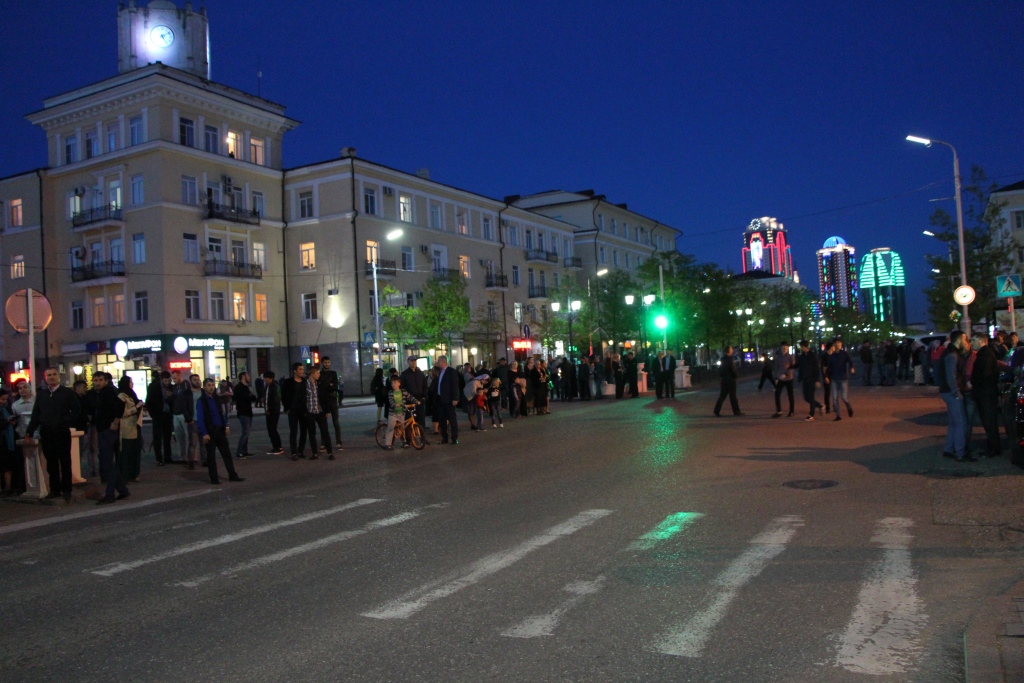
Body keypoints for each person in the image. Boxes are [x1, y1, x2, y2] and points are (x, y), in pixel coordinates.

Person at [24, 368, 81, 502]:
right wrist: (29, 432)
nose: (51, 377)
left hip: (61, 432)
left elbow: (77, 411)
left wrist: (65, 421)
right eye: (49, 375)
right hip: (47, 432)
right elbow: (36, 415)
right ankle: (55, 489)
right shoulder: (42, 394)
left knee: (65, 461)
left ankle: (67, 489)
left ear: (58, 376)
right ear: (45, 377)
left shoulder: (67, 393)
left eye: (54, 374)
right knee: (51, 463)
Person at [195, 377, 245, 484]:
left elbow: (222, 414)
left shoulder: (216, 398)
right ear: (204, 387)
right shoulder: (201, 401)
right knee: (211, 457)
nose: (211, 387)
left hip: (220, 430)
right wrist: (204, 433)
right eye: (209, 385)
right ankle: (214, 478)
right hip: (210, 432)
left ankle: (232, 475)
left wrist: (226, 425)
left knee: (226, 454)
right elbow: (200, 419)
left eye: (212, 385)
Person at [92, 372, 129, 504]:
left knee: (107, 462)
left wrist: (115, 421)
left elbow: (121, 404)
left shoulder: (109, 391)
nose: (97, 383)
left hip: (108, 430)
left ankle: (110, 494)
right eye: (95, 380)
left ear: (106, 380)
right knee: (107, 461)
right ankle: (123, 490)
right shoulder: (100, 393)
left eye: (100, 380)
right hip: (103, 429)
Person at [937, 331, 971, 461]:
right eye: (965, 339)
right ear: (960, 339)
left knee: (953, 422)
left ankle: (949, 449)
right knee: (960, 423)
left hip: (947, 392)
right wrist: (956, 392)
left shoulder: (950, 353)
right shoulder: (952, 355)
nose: (967, 341)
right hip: (951, 393)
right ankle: (960, 453)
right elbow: (951, 376)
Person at [969, 333, 1002, 458]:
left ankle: (994, 449)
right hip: (985, 394)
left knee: (989, 422)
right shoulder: (984, 354)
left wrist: (973, 382)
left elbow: (985, 375)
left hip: (986, 395)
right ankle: (992, 447)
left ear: (981, 341)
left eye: (973, 340)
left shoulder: (986, 355)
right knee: (988, 422)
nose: (971, 343)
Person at [303, 364, 336, 459]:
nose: (319, 374)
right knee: (312, 433)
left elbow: (325, 398)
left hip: (320, 411)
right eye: (317, 373)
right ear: (312, 374)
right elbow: (302, 399)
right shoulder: (305, 385)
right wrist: (305, 412)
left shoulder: (320, 384)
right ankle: (315, 453)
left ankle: (330, 453)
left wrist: (327, 410)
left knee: (325, 432)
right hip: (310, 412)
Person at [116, 375, 144, 483]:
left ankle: (135, 473)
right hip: (127, 428)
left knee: (135, 452)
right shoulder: (121, 396)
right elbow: (123, 413)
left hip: (136, 426)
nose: (132, 384)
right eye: (130, 382)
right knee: (127, 452)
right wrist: (136, 407)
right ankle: (126, 475)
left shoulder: (132, 394)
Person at [281, 363, 308, 458]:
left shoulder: (305, 381)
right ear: (295, 371)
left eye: (303, 369)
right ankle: (294, 452)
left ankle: (301, 451)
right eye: (300, 369)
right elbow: (284, 396)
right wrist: (287, 409)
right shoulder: (288, 382)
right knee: (293, 431)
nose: (302, 371)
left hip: (303, 410)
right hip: (292, 410)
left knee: (304, 431)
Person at [400, 356, 429, 444]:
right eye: (411, 361)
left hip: (420, 399)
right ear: (408, 362)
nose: (413, 362)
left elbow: (425, 385)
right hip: (410, 401)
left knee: (421, 420)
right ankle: (408, 439)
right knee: (409, 420)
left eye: (414, 361)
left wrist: (424, 396)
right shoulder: (404, 374)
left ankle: (423, 438)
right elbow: (402, 388)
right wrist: (408, 398)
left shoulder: (420, 373)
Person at [146, 371, 172, 466]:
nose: (167, 382)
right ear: (161, 379)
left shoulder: (170, 387)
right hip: (158, 415)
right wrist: (153, 414)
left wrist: (170, 397)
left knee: (167, 436)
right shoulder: (154, 387)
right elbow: (149, 401)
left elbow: (172, 401)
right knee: (157, 437)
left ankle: (167, 457)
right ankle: (159, 458)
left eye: (169, 380)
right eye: (165, 380)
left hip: (167, 414)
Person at [384, 376, 417, 449]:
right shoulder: (390, 392)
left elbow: (410, 397)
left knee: (402, 428)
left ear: (399, 383)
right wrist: (395, 405)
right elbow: (391, 401)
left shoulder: (403, 391)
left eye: (395, 383)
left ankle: (404, 442)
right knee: (390, 428)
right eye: (392, 383)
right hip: (393, 414)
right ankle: (387, 444)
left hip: (401, 413)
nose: (393, 385)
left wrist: (416, 401)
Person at [72, 379, 96, 477]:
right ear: (77, 388)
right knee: (78, 450)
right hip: (78, 427)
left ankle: (78, 471)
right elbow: (78, 413)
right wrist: (87, 417)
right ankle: (76, 472)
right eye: (83, 387)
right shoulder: (75, 399)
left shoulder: (83, 398)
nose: (85, 389)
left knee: (81, 449)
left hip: (82, 427)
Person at [827, 339, 855, 421]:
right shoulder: (832, 356)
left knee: (844, 397)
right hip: (834, 379)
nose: (837, 344)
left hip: (843, 378)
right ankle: (838, 415)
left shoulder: (844, 354)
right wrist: (827, 375)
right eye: (836, 343)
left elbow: (850, 362)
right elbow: (830, 366)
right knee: (835, 398)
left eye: (839, 343)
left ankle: (848, 405)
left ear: (841, 344)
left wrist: (852, 368)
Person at [795, 339, 823, 421]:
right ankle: (820, 406)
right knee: (806, 398)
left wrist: (817, 380)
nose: (801, 348)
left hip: (812, 379)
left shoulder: (812, 355)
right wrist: (790, 367)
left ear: (805, 346)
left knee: (810, 396)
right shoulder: (802, 355)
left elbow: (816, 368)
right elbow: (798, 364)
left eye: (801, 347)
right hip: (805, 379)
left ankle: (811, 414)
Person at [435, 355, 460, 444]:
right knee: (442, 420)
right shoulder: (440, 372)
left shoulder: (451, 371)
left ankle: (454, 438)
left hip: (449, 399)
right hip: (440, 399)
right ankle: (444, 437)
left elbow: (454, 385)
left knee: (452, 419)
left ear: (443, 362)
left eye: (438, 362)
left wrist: (455, 398)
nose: (437, 363)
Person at [320, 357, 343, 447]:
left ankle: (339, 442)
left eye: (328, 362)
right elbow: (321, 387)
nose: (327, 364)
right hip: (323, 401)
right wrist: (329, 384)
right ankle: (323, 442)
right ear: (322, 363)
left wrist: (327, 385)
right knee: (323, 423)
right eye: (325, 362)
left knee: (336, 422)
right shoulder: (320, 374)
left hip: (332, 400)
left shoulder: (333, 373)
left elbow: (336, 387)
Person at [713, 346, 742, 416]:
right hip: (730, 379)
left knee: (722, 396)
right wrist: (736, 375)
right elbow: (732, 369)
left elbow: (720, 369)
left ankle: (716, 410)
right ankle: (736, 411)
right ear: (729, 351)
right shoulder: (730, 359)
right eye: (731, 349)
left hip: (724, 379)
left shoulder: (722, 359)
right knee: (733, 396)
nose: (732, 351)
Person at [232, 372, 254, 459]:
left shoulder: (245, 387)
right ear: (243, 377)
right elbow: (247, 398)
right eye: (248, 375)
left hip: (248, 412)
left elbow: (252, 397)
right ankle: (239, 452)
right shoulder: (239, 387)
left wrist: (251, 396)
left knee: (247, 433)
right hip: (243, 412)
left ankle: (244, 451)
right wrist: (250, 397)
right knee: (245, 433)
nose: (249, 377)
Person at [0, 389, 18, 496]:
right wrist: (6, 422)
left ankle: (8, 487)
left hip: (7, 441)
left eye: (5, 399)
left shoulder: (6, 409)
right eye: (2, 399)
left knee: (7, 465)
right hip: (2, 441)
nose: (4, 401)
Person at [771, 342, 795, 418]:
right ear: (781, 347)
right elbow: (775, 368)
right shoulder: (778, 357)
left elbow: (792, 367)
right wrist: (776, 378)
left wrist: (786, 374)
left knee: (790, 395)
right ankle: (779, 411)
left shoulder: (791, 357)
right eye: (783, 346)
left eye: (786, 347)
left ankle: (791, 411)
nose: (784, 348)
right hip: (780, 379)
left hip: (789, 378)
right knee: (777, 394)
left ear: (788, 348)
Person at [262, 371, 284, 454]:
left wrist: (269, 409)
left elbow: (275, 400)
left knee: (272, 429)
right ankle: (278, 446)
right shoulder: (269, 386)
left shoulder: (273, 387)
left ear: (270, 378)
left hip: (273, 411)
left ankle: (277, 447)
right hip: (271, 411)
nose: (264, 379)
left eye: (265, 377)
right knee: (272, 429)